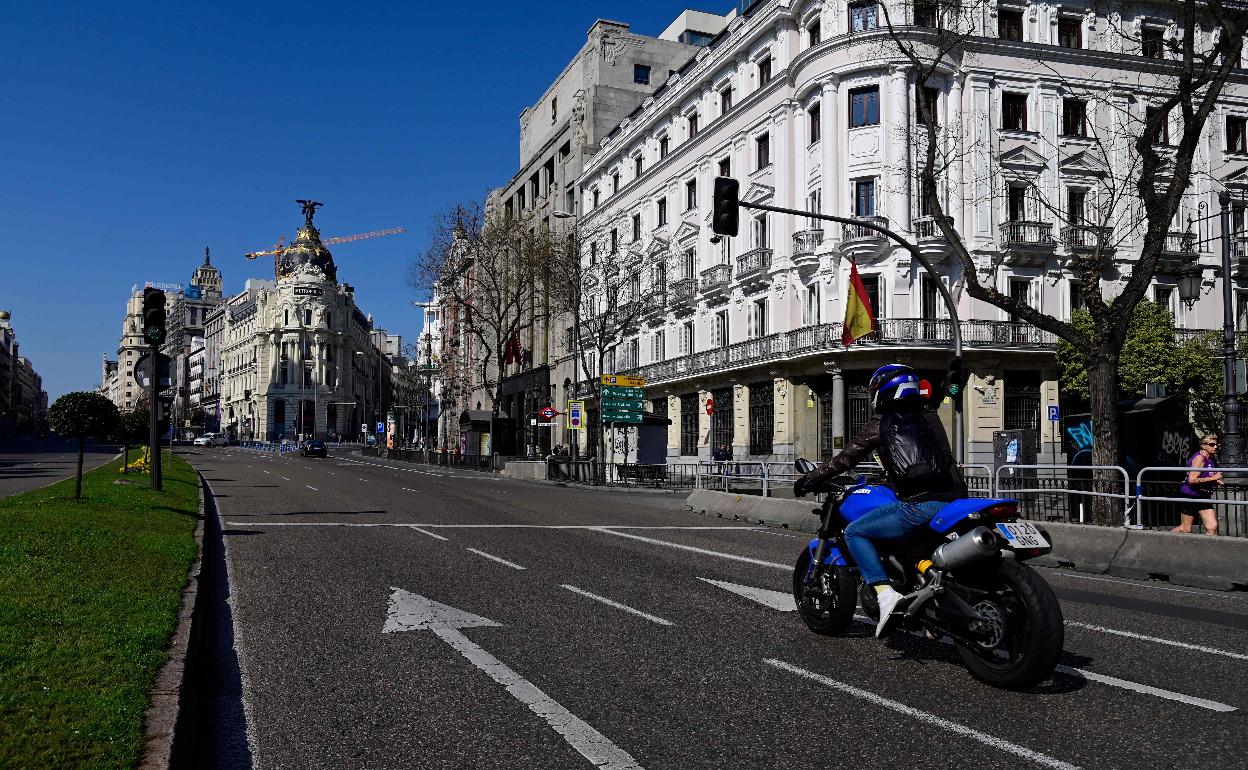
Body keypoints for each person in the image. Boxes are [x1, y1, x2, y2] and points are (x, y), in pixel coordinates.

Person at [794, 363, 967, 638]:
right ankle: (928, 611)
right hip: (957, 500)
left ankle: (886, 595)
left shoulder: (884, 421)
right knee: (913, 550)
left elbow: (846, 457)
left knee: (855, 531)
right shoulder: (930, 416)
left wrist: (810, 479)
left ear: (882, 391)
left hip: (922, 504)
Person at [1175, 435, 1222, 536]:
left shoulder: (1211, 459)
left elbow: (1206, 476)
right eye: (1212, 445)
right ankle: (1166, 541)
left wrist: (1215, 481)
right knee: (1185, 529)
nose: (1215, 447)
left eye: (1216, 444)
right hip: (1190, 495)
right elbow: (1191, 480)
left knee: (1212, 527)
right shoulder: (1199, 458)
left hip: (1204, 495)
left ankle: (1209, 551)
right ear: (1203, 446)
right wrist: (1213, 478)